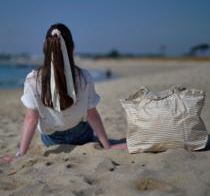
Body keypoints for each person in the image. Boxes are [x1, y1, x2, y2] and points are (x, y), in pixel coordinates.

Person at [1, 23, 126, 164]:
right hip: (82, 136)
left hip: (52, 141)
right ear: (72, 47)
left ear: (45, 48)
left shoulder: (32, 80)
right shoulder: (84, 76)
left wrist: (20, 155)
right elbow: (92, 115)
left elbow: (31, 119)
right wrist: (107, 145)